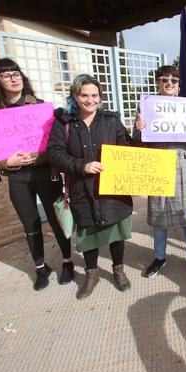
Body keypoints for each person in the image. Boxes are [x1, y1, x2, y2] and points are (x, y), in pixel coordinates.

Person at [0, 58, 72, 291]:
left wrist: (42, 155)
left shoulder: (39, 107)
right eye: (6, 75)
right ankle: (41, 268)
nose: (14, 77)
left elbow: (56, 143)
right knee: (30, 223)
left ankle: (68, 263)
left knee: (56, 219)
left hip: (45, 172)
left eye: (16, 72)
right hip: (17, 177)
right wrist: (6, 162)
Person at [47, 74, 133, 299]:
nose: (90, 100)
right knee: (88, 236)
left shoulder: (111, 120)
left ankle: (118, 270)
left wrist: (139, 132)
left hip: (112, 190)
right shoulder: (63, 123)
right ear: (76, 96)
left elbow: (127, 148)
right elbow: (54, 154)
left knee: (116, 234)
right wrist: (81, 166)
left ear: (100, 97)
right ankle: (91, 275)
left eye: (94, 95)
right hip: (81, 190)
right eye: (84, 95)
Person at [134, 65, 186, 280]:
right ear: (158, 83)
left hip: (183, 166)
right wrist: (139, 129)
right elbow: (137, 143)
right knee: (159, 216)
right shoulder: (146, 107)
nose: (169, 83)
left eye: (174, 81)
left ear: (178, 87)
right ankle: (160, 258)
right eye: (164, 79)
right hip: (157, 166)